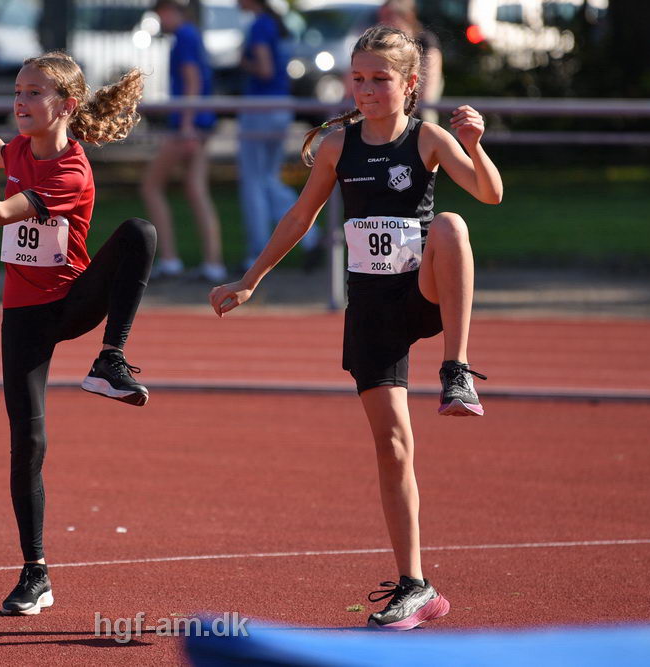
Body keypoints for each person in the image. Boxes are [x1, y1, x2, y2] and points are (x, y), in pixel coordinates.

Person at [209, 26, 502, 630]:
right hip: (371, 308)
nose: (366, 90)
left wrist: (475, 147)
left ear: (410, 85)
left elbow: (489, 193)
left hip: (422, 289)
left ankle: (457, 369)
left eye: (380, 79)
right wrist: (251, 278)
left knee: (451, 225)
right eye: (359, 78)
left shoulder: (428, 137)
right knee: (393, 447)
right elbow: (300, 215)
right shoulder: (338, 146)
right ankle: (415, 585)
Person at [0, 52, 156, 615]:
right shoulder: (21, 148)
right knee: (28, 444)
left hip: (70, 303)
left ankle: (110, 358)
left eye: (34, 93)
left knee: (139, 232)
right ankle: (35, 572)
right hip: (23, 316)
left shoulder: (71, 170)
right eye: (18, 91)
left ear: (66, 105)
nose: (20, 101)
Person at [143, 0, 227, 283]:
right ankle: (213, 263)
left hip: (188, 125)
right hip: (198, 123)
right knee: (196, 189)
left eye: (161, 15)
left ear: (172, 10)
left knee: (151, 186)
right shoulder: (192, 34)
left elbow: (192, 80)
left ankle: (169, 259)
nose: (161, 21)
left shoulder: (184, 36)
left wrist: (187, 124)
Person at [236, 0, 319, 271]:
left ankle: (257, 254)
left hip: (261, 107)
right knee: (269, 179)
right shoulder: (276, 23)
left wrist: (243, 62)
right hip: (280, 105)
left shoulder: (260, 25)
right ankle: (310, 236)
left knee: (254, 183)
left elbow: (265, 69)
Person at [378, 0, 443, 124]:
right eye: (380, 17)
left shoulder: (426, 42)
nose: (382, 23)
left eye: (388, 16)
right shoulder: (378, 44)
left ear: (407, 17)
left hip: (417, 115)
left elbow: (427, 91)